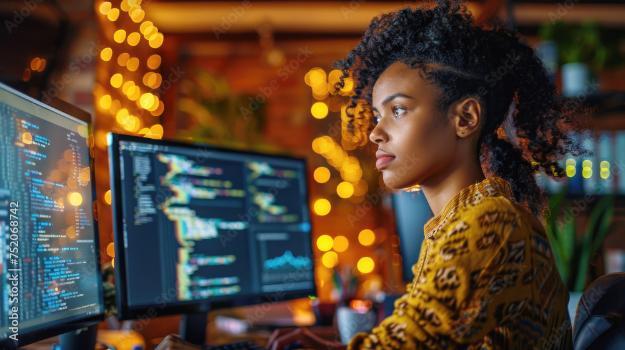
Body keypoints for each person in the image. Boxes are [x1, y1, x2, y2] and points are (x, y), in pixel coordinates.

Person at [158, 1, 577, 349]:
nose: (375, 132)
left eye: (398, 110)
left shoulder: (490, 223)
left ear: (464, 118)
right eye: (377, 114)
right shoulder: (460, 224)